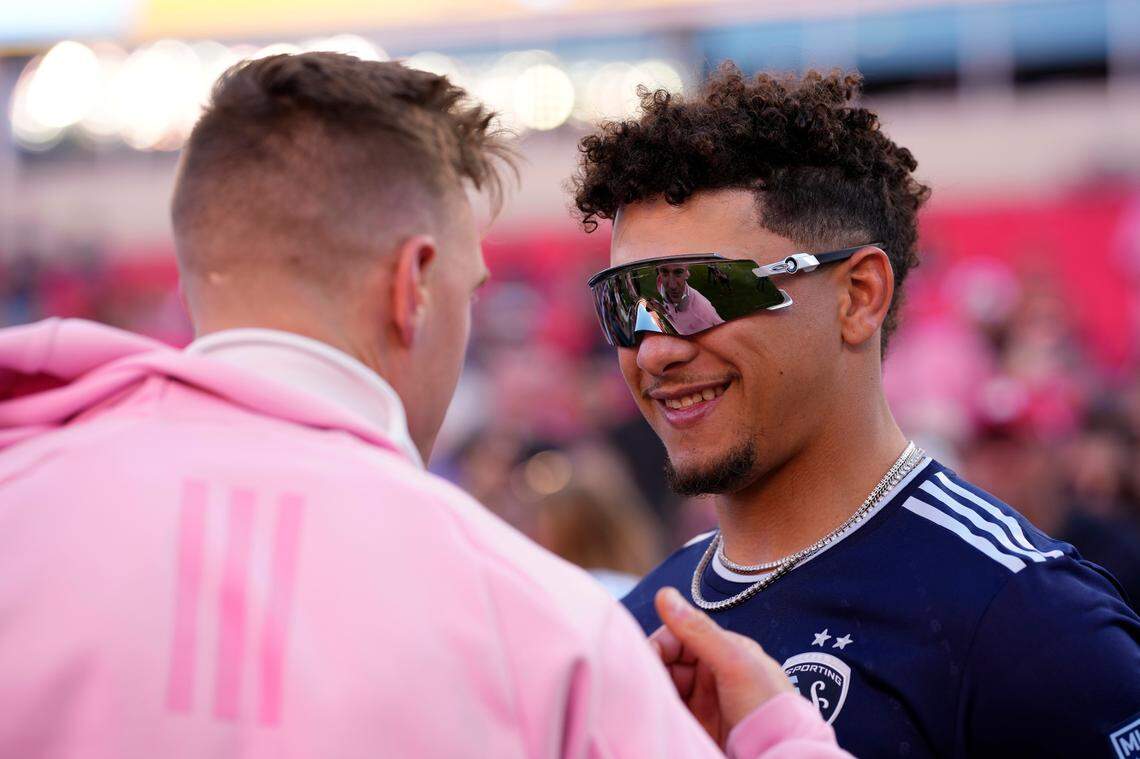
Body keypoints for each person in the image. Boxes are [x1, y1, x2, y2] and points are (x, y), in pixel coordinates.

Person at [0, 53, 849, 759]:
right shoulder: (536, 620)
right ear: (412, 285)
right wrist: (780, 738)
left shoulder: (20, 512)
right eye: (467, 289)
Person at [575, 65, 1140, 758]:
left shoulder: (1024, 617)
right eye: (621, 304)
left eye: (694, 291)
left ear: (858, 296)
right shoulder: (640, 624)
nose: (654, 348)